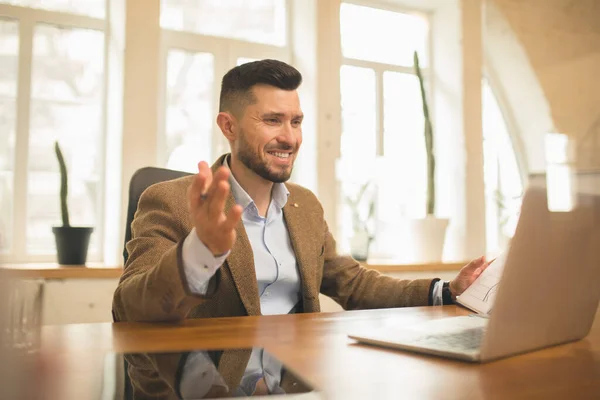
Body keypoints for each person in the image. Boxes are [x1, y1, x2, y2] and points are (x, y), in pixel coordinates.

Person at [112, 59, 489, 396]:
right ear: (229, 125)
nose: (290, 138)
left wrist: (445, 291)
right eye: (272, 120)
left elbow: (353, 284)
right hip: (212, 387)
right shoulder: (170, 200)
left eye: (296, 121)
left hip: (296, 384)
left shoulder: (304, 204)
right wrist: (200, 251)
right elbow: (130, 307)